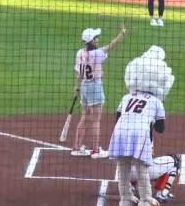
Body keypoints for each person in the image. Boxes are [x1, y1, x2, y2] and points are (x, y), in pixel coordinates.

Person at [108, 45, 175, 206]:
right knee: (142, 168)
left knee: (123, 166)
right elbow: (160, 128)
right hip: (140, 134)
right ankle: (145, 199)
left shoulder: (126, 97)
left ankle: (125, 198)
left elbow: (117, 119)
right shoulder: (156, 101)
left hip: (120, 132)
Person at [71, 21, 127, 159]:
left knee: (84, 117)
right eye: (96, 37)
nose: (98, 39)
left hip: (84, 86)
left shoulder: (80, 53)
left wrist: (76, 87)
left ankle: (77, 147)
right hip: (94, 87)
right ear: (92, 40)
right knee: (96, 120)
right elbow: (111, 46)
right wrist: (122, 34)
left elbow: (78, 72)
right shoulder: (97, 54)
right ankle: (96, 150)